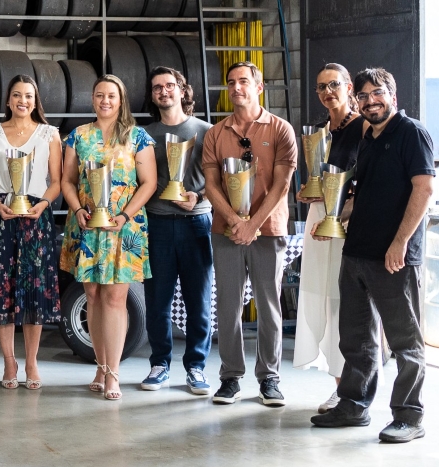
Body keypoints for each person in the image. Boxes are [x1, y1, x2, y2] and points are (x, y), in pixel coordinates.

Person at [312, 68, 433, 444]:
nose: (370, 101)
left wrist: (399, 243)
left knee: (404, 341)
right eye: (363, 96)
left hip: (393, 256)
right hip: (357, 252)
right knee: (356, 337)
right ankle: (353, 405)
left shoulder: (411, 132)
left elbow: (424, 189)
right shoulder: (367, 137)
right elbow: (362, 194)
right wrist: (334, 217)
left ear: (393, 96)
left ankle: (409, 416)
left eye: (377, 93)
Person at [201, 61, 297, 407]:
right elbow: (211, 185)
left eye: (243, 81)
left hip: (268, 231)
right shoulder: (215, 134)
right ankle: (230, 377)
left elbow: (282, 185)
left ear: (259, 87)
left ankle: (269, 378)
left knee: (269, 305)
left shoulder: (281, 129)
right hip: (225, 231)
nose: (236, 87)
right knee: (227, 305)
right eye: (231, 82)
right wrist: (234, 221)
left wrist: (253, 224)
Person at [60, 75, 156, 401]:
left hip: (124, 227)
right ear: (92, 99)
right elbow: (67, 181)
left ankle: (113, 373)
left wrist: (125, 216)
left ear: (121, 100)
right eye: (99, 95)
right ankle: (100, 367)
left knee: (115, 298)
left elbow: (148, 183)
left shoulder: (137, 137)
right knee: (92, 295)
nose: (105, 100)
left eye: (111, 95)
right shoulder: (78, 136)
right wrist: (77, 209)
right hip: (86, 225)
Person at [0, 75, 62, 390]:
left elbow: (56, 181)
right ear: (8, 100)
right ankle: (9, 361)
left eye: (28, 96)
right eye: (16, 95)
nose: (22, 101)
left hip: (35, 217)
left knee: (33, 290)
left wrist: (43, 205)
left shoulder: (50, 134)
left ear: (35, 101)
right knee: (3, 290)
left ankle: (32, 362)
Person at [295, 64, 367, 413]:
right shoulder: (321, 132)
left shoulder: (363, 128)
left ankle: (353, 389)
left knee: (346, 304)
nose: (327, 92)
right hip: (318, 219)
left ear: (349, 87)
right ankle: (339, 386)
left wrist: (340, 214)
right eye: (321, 87)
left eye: (334, 85)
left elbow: (367, 183)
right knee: (325, 301)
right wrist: (307, 194)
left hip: (348, 222)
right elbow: (317, 180)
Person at [140, 67, 215, 395]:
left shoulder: (206, 131)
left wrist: (199, 197)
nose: (164, 91)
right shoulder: (144, 135)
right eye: (157, 87)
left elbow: (220, 180)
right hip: (156, 224)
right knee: (157, 301)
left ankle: (196, 367)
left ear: (183, 90)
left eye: (169, 85)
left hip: (197, 224)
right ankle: (160, 364)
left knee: (199, 300)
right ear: (152, 94)